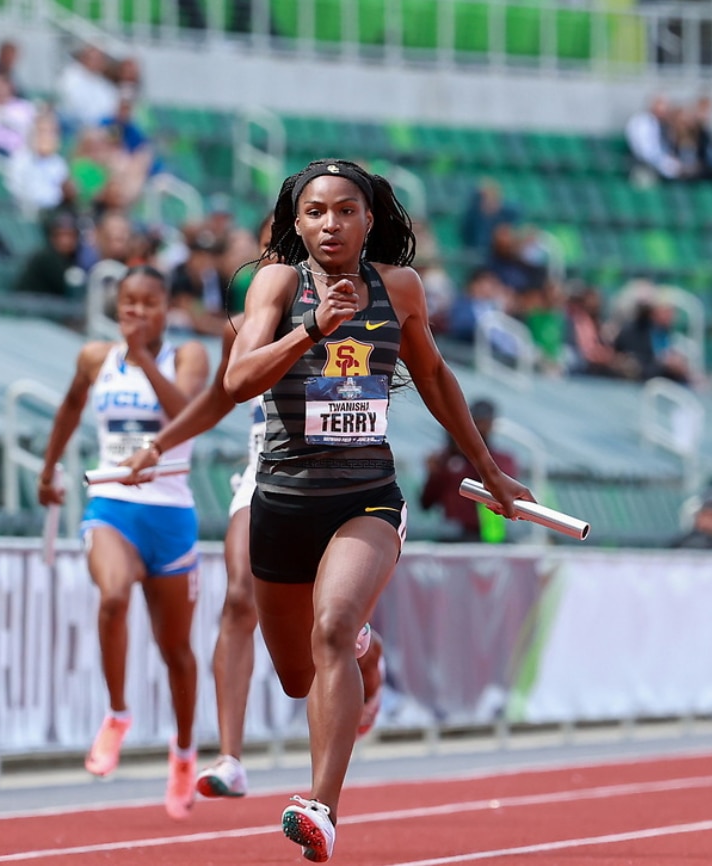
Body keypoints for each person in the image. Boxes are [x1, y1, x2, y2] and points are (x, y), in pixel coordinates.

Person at [221, 158, 529, 862]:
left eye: (346, 210)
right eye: (316, 213)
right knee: (300, 674)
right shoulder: (276, 284)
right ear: (296, 225)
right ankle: (368, 649)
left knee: (331, 626)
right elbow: (238, 381)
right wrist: (309, 332)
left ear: (370, 218)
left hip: (364, 495)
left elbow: (435, 377)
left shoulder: (399, 289)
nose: (331, 224)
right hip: (282, 498)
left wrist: (492, 472)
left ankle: (321, 809)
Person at [117, 225, 387, 802]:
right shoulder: (247, 321)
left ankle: (364, 644)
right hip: (266, 478)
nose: (282, 258)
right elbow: (221, 395)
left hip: (338, 483)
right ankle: (231, 757)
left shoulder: (362, 306)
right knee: (239, 596)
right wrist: (158, 446)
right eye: (273, 247)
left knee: (330, 623)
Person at [34, 266, 211, 821]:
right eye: (128, 304)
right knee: (112, 596)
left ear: (168, 309)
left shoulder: (189, 358)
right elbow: (68, 407)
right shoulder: (95, 358)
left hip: (171, 515)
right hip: (112, 506)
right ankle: (117, 714)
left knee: (176, 652)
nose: (137, 313)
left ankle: (183, 752)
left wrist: (143, 361)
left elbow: (188, 414)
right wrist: (49, 469)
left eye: (149, 304)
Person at [418, 398, 520, 542]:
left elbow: (503, 489)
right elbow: (426, 502)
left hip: (489, 535)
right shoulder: (446, 460)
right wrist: (436, 472)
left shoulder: (499, 460)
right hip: (453, 535)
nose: (479, 428)